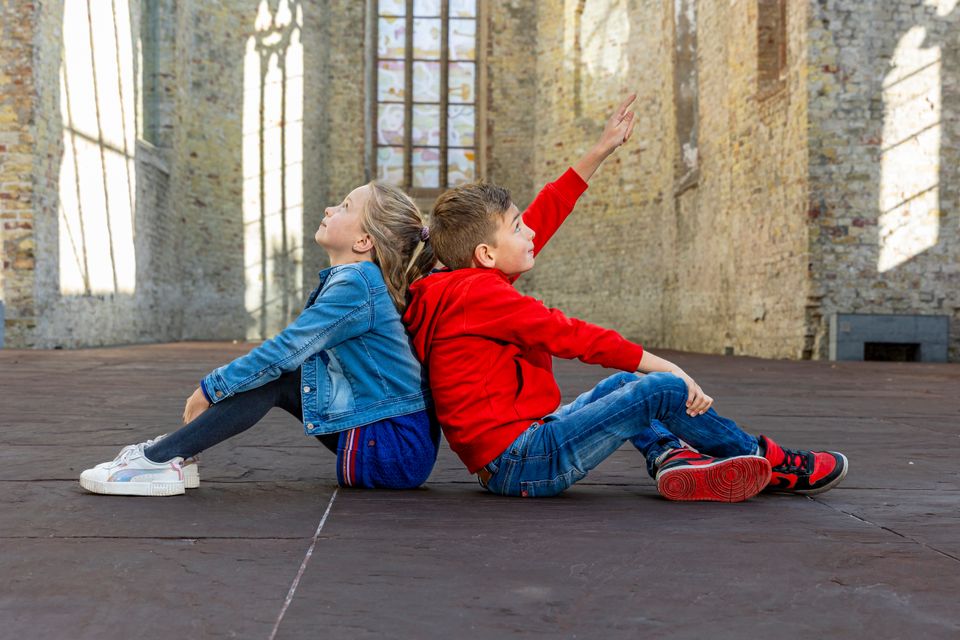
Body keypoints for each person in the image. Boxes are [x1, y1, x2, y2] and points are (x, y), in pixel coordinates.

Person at [402, 94, 848, 501]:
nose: (531, 230)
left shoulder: (460, 287)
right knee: (661, 388)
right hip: (523, 460)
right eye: (517, 227)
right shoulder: (480, 295)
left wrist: (601, 149)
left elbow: (546, 212)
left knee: (624, 386)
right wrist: (670, 367)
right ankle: (771, 463)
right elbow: (573, 336)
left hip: (512, 453)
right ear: (486, 254)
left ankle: (670, 457)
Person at [80, 181, 438, 496]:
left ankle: (160, 459)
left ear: (364, 240)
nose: (330, 208)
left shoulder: (358, 283)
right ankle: (176, 454)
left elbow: (287, 349)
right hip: (398, 444)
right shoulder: (360, 279)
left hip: (394, 448)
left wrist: (211, 388)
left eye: (345, 206)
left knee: (276, 377)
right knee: (280, 376)